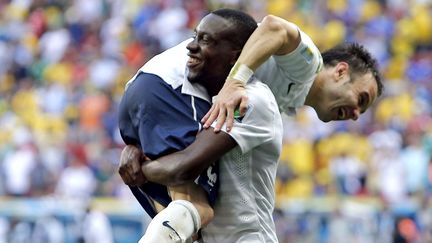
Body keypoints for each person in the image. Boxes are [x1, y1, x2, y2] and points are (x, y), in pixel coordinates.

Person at [119, 8, 383, 243]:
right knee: (194, 203)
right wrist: (235, 82)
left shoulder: (276, 95)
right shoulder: (307, 65)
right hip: (178, 84)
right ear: (340, 72)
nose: (357, 114)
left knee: (187, 222)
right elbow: (273, 26)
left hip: (148, 85)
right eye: (361, 99)